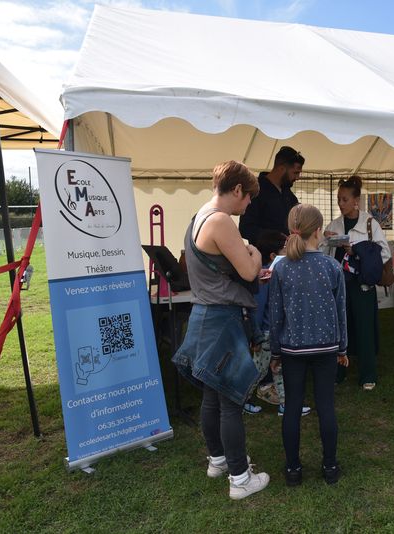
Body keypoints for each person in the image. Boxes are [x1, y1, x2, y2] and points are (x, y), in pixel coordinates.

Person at [171, 160, 269, 500]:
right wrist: (254, 254)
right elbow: (248, 272)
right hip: (223, 318)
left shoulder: (197, 216)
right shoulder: (222, 221)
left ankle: (218, 459)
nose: (248, 206)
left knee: (211, 396)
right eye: (248, 199)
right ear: (237, 189)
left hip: (203, 314)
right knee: (230, 399)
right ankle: (241, 479)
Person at [269, 204, 348, 486]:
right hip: (326, 348)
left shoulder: (281, 269)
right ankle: (330, 467)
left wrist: (275, 351)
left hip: (292, 350)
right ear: (318, 231)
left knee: (292, 407)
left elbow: (275, 314)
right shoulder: (332, 266)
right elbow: (341, 312)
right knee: (326, 406)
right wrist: (342, 349)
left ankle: (293, 470)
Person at [321, 175, 391, 390]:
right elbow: (323, 254)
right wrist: (326, 239)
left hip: (362, 285)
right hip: (340, 284)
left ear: (356, 201)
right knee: (340, 328)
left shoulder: (370, 223)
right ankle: (339, 370)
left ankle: (368, 374)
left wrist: (358, 250)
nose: (340, 204)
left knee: (364, 329)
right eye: (338, 199)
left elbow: (385, 253)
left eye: (344, 199)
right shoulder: (334, 224)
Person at [245, 230, 311, 417]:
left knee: (278, 368)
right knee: (258, 370)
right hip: (266, 334)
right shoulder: (265, 277)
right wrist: (256, 336)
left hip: (276, 333)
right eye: (284, 249)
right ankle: (241, 399)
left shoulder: (277, 274)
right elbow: (257, 309)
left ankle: (285, 404)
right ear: (274, 256)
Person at [238, 145, 305, 245]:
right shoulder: (256, 191)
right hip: (262, 257)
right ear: (282, 168)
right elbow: (245, 228)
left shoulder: (289, 195)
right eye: (295, 172)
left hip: (287, 255)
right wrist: (274, 237)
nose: (298, 177)